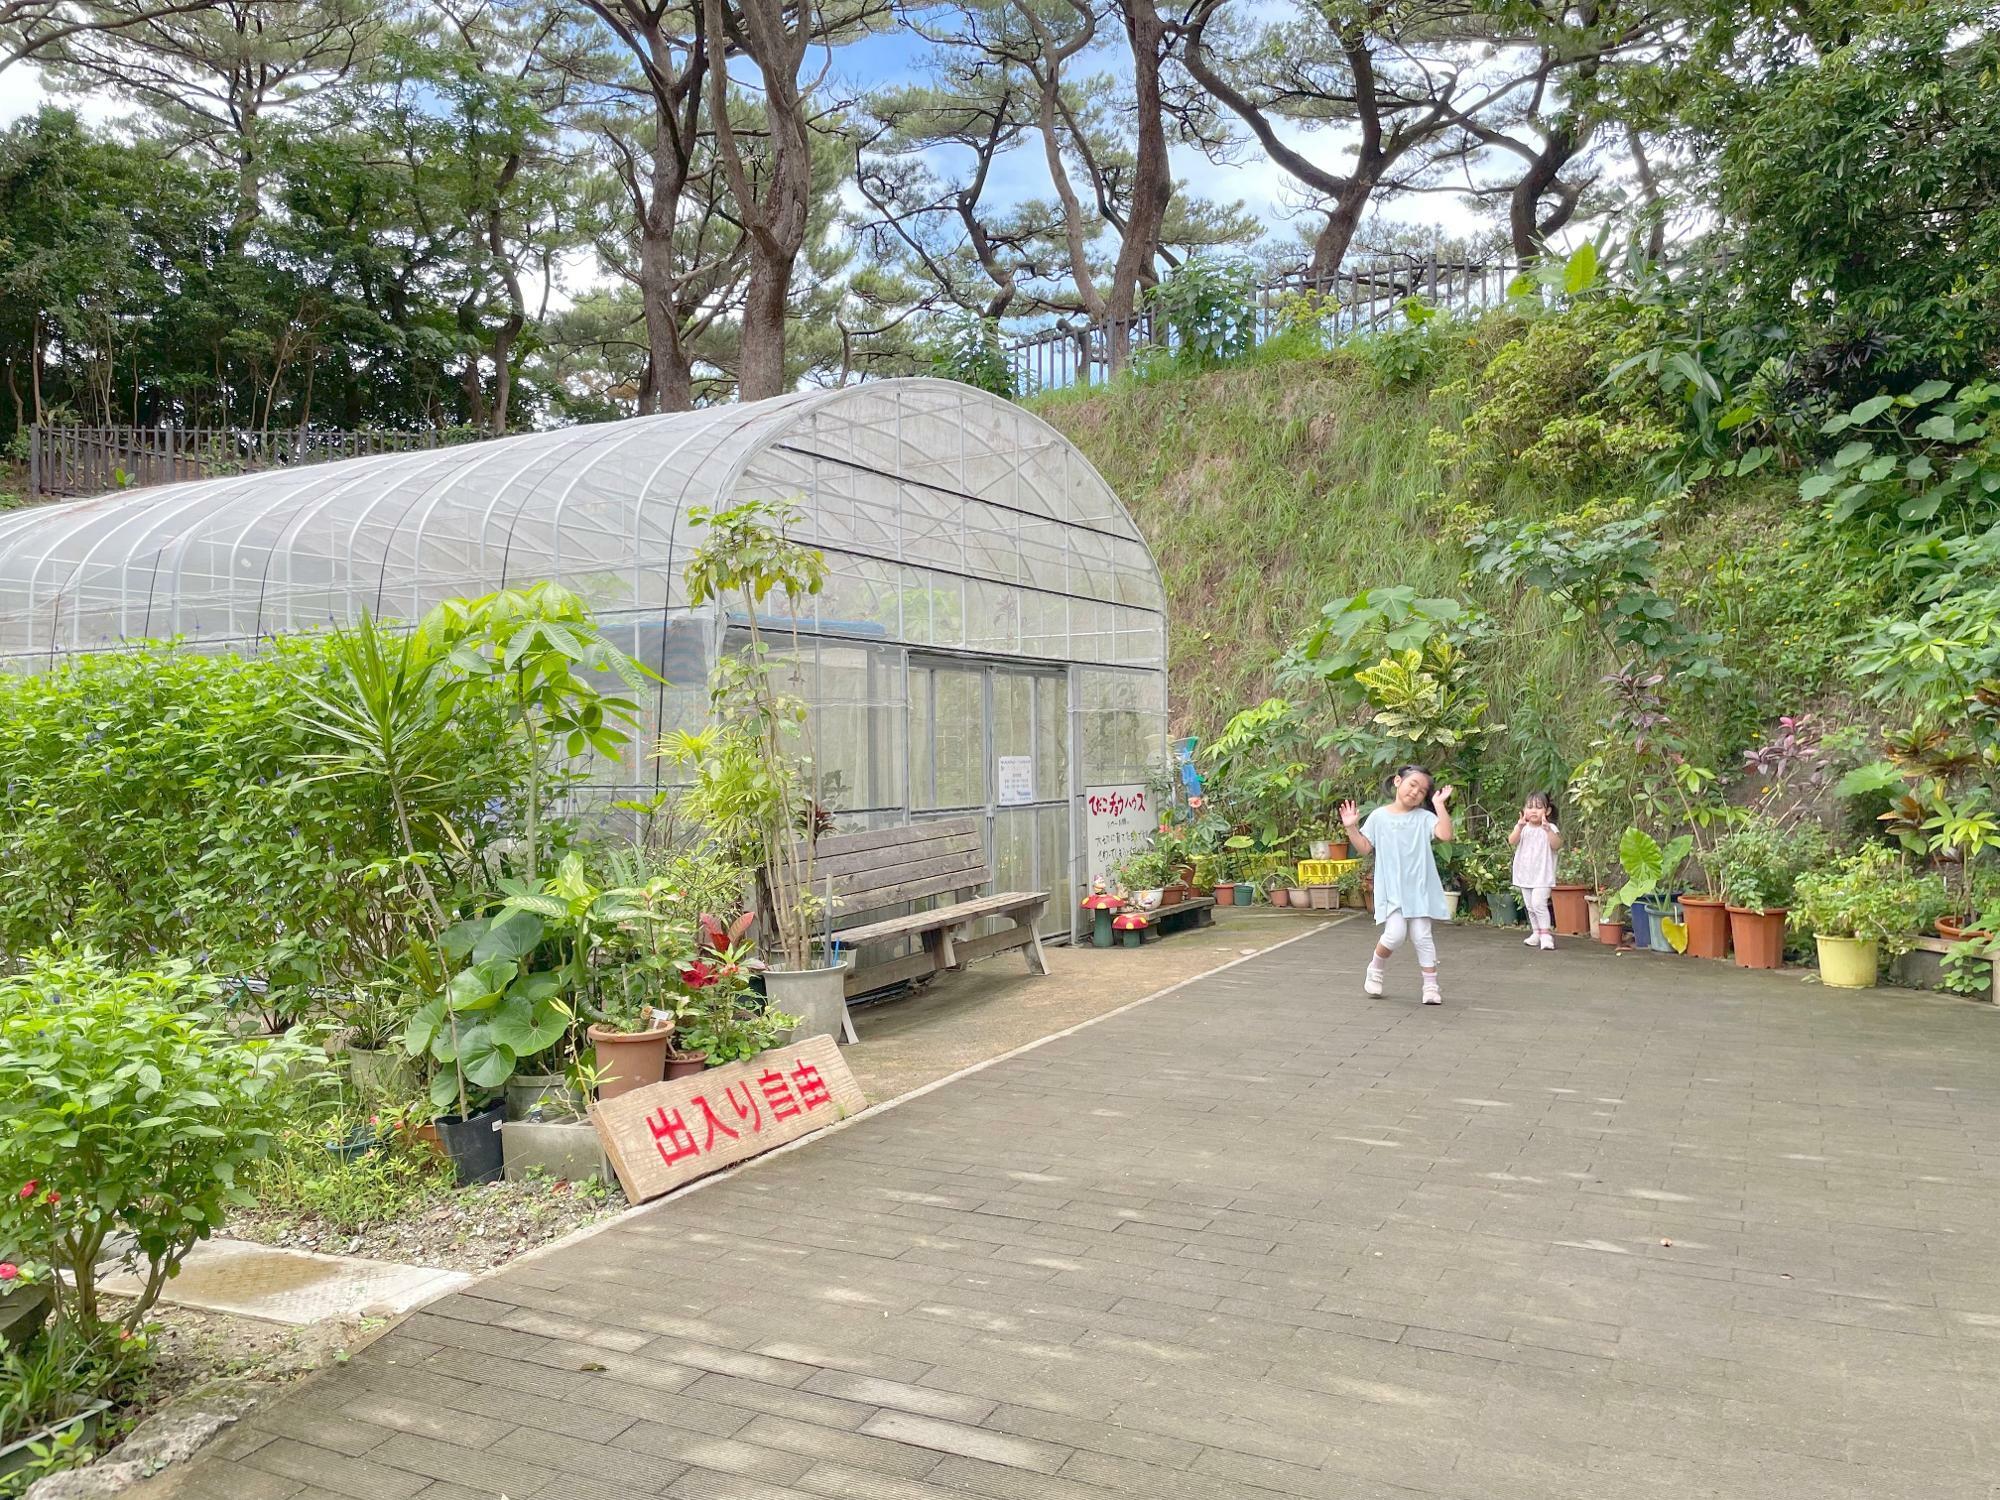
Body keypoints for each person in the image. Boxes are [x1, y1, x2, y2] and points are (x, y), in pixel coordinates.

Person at [1340, 766, 1454, 1005]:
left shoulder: (1425, 818)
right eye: (1412, 785)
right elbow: (1364, 847)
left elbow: (1444, 834)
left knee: (1422, 936)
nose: (1415, 792)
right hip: (1392, 889)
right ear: (1397, 781)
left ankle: (1431, 987)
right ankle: (1376, 968)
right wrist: (1351, 827)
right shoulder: (1379, 817)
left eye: (1422, 791)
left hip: (1420, 888)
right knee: (1394, 935)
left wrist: (1440, 804)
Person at [1509, 792, 1563, 951]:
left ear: (1547, 811)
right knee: (1530, 906)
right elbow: (1512, 841)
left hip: (1543, 875)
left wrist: (1548, 831)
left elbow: (1557, 845)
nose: (1533, 811)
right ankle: (1536, 933)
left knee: (1538, 903)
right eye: (1529, 807)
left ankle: (1546, 935)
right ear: (1524, 810)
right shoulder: (1522, 827)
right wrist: (1518, 827)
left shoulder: (1550, 828)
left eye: (1538, 807)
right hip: (1524, 874)